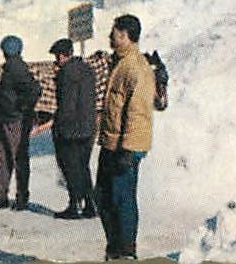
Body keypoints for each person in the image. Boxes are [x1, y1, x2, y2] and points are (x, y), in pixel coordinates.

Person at [96, 14, 156, 261]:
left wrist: (129, 149)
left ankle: (125, 251)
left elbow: (138, 112)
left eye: (115, 33)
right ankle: (115, 248)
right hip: (111, 143)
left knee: (122, 199)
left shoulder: (135, 67)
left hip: (125, 147)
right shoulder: (120, 62)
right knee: (103, 195)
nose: (111, 37)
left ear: (127, 36)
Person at [0, 35, 40, 211]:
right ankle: (1, 196)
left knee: (18, 158)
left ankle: (21, 197)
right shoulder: (11, 67)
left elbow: (34, 90)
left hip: (16, 120)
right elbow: (5, 89)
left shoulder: (16, 68)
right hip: (6, 118)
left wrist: (21, 107)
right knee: (3, 157)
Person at [50, 38, 98, 219]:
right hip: (88, 126)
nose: (56, 60)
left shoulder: (66, 73)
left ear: (63, 55)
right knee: (83, 167)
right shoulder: (87, 70)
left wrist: (60, 125)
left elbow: (67, 104)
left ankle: (74, 204)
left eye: (57, 56)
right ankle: (90, 204)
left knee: (70, 167)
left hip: (70, 128)